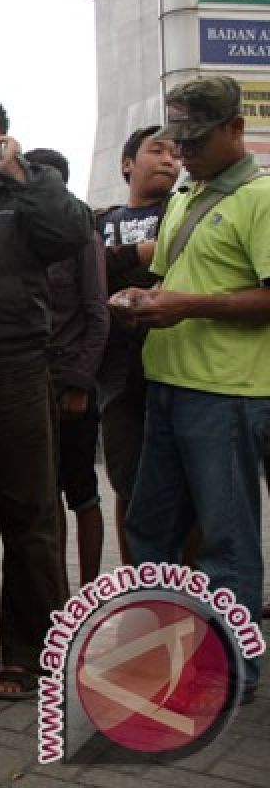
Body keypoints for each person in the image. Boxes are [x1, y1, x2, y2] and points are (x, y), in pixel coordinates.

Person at [111, 76, 270, 705]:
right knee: (151, 532)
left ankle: (232, 674)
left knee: (227, 543)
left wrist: (187, 305)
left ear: (236, 128)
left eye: (198, 139)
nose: (186, 152)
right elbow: (163, 280)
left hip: (227, 396)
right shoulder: (186, 197)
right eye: (179, 140)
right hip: (167, 390)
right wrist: (138, 298)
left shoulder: (261, 198)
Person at [0, 93, 91, 700]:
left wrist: (26, 173)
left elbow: (71, 232)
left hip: (16, 373)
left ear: (3, 140)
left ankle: (33, 653)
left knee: (30, 516)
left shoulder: (23, 196)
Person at [95, 126, 182, 563]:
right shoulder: (102, 220)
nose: (170, 159)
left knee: (181, 486)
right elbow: (92, 275)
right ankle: (137, 586)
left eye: (175, 153)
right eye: (158, 150)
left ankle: (188, 587)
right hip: (115, 373)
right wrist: (140, 258)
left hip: (172, 367)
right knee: (125, 481)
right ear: (128, 163)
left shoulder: (183, 212)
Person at [26, 148, 110, 585]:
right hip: (27, 382)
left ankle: (91, 589)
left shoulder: (83, 238)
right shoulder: (25, 236)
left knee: (82, 492)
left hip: (71, 384)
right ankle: (54, 586)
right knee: (44, 492)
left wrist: (79, 383)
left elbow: (98, 314)